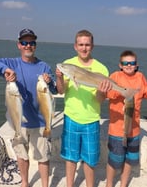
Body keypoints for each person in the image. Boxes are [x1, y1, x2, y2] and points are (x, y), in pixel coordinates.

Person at [0, 28, 57, 187]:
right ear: (19, 45)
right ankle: (25, 182)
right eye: (24, 42)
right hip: (19, 122)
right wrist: (5, 70)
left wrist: (49, 81)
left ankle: (45, 185)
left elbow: (56, 90)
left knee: (43, 157)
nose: (28, 45)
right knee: (22, 156)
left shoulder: (44, 66)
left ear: (35, 45)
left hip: (41, 122)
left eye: (31, 43)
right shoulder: (11, 63)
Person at [55, 29, 112, 187]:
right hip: (71, 117)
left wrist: (102, 91)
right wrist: (59, 77)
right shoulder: (68, 64)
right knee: (70, 158)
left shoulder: (102, 69)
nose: (84, 48)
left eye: (87, 45)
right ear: (75, 46)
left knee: (90, 160)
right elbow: (61, 90)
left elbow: (100, 100)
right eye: (81, 44)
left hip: (92, 119)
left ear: (92, 46)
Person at [105, 50, 147, 187]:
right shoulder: (115, 76)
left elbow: (145, 93)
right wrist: (124, 92)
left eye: (132, 63)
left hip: (135, 130)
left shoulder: (140, 77)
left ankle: (123, 184)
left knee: (130, 160)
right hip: (117, 129)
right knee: (115, 160)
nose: (129, 65)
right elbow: (109, 94)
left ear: (137, 65)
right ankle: (109, 184)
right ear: (120, 65)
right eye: (126, 63)